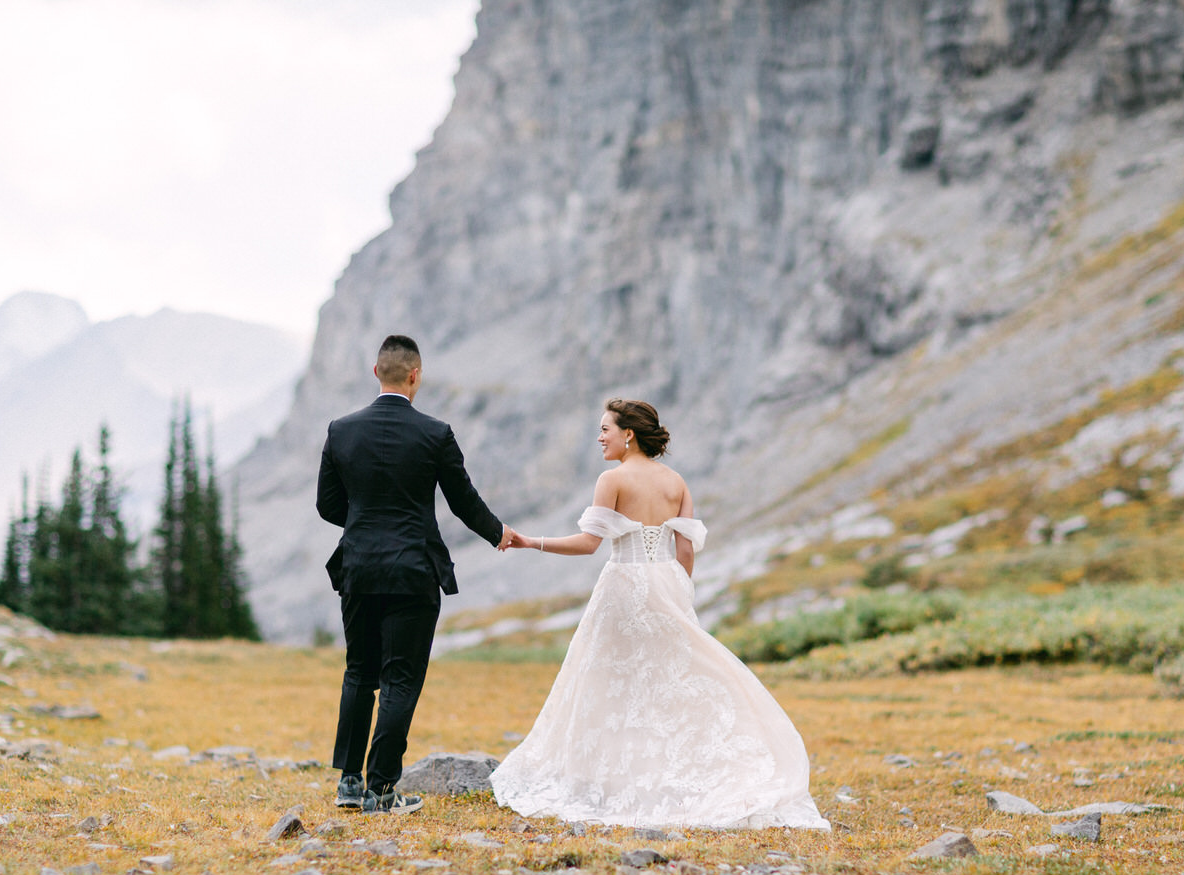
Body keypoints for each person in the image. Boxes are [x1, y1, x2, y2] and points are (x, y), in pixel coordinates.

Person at [492, 399, 829, 830]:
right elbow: (685, 548)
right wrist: (679, 594)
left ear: (628, 434)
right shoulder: (676, 482)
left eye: (605, 430)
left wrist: (529, 541)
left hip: (625, 585)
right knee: (668, 680)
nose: (599, 438)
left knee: (612, 682)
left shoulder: (612, 479)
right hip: (667, 582)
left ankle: (613, 779)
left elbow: (588, 544)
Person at [316, 335, 514, 815]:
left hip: (359, 567)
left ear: (376, 372)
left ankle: (348, 782)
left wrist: (367, 526)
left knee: (359, 671)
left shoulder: (341, 430)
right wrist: (499, 533)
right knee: (401, 678)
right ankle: (381, 790)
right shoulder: (435, 433)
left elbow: (327, 505)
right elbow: (462, 500)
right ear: (415, 376)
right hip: (412, 570)